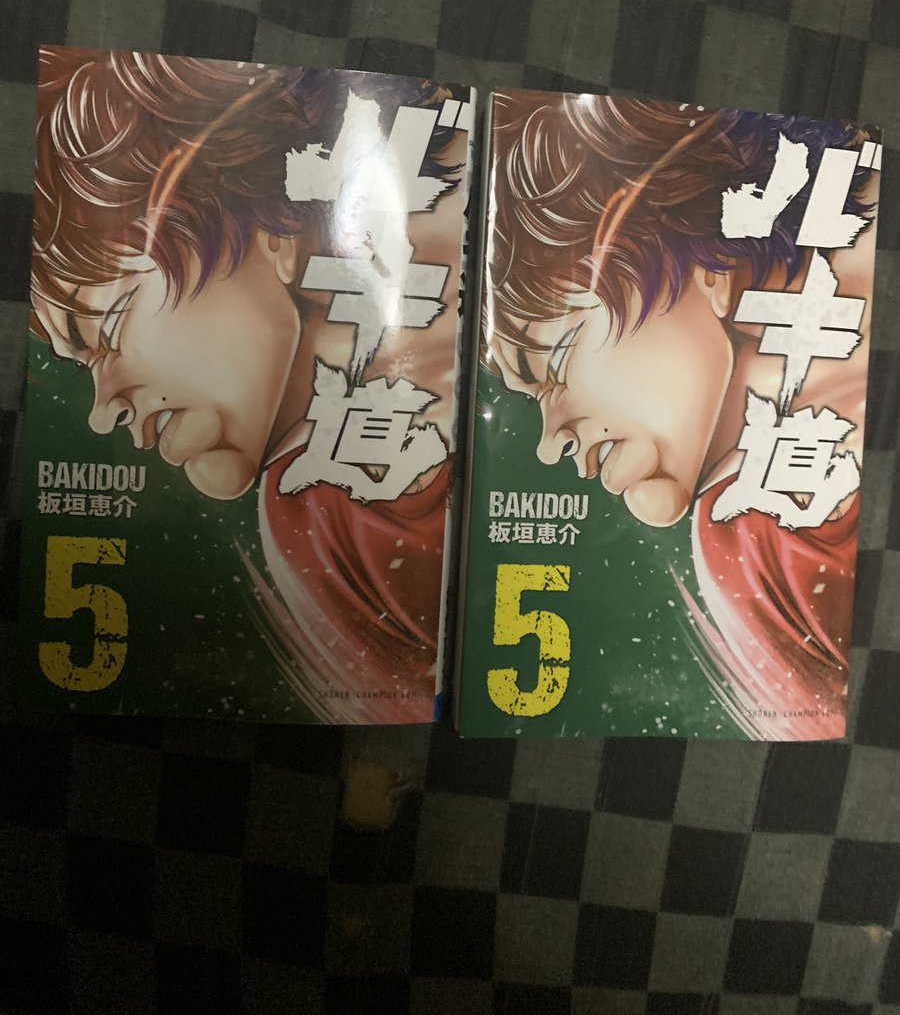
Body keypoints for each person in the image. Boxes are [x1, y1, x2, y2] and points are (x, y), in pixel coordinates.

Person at [30, 48, 467, 723]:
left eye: (110, 326)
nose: (103, 409)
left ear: (271, 232)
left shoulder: (475, 191)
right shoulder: (315, 515)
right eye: (87, 363)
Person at [484, 91, 877, 739]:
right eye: (536, 398)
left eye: (558, 359)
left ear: (705, 269)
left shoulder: (761, 531)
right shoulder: (746, 523)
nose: (551, 444)